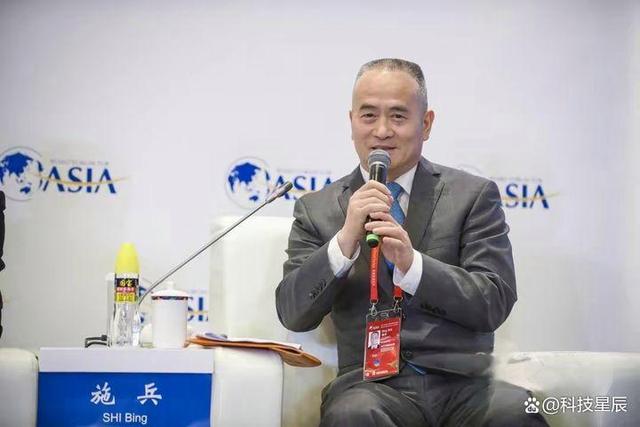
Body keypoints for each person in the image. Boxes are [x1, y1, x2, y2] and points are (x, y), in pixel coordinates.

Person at [275, 58, 548, 426]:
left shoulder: (472, 196)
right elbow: (293, 312)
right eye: (368, 116)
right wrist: (343, 242)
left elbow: (493, 300)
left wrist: (412, 265)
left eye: (398, 116)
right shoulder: (317, 209)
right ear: (352, 121)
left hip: (464, 385)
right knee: (354, 416)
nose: (382, 131)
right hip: (369, 388)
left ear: (427, 123)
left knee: (514, 413)